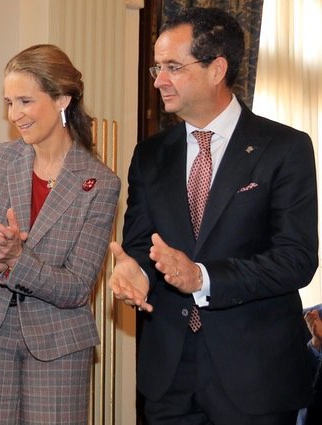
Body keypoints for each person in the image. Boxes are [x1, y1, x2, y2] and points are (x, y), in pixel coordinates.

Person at [107, 7, 317, 424]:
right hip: (168, 377)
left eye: (172, 67)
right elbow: (141, 246)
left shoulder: (284, 148)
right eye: (157, 66)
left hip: (256, 376)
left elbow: (296, 259)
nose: (158, 79)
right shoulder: (149, 155)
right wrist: (137, 274)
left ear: (216, 68)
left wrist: (203, 277)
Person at [0, 44, 120, 424]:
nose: (15, 115)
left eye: (25, 101)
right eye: (9, 103)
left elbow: (77, 287)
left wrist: (17, 261)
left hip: (59, 345)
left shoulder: (101, 184)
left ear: (62, 98)